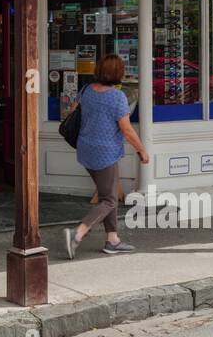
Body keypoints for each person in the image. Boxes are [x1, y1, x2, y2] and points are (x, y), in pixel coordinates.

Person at [63, 54, 150, 258]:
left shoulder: (86, 90)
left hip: (86, 149)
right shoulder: (117, 97)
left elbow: (75, 111)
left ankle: (112, 240)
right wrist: (142, 150)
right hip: (106, 153)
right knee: (109, 200)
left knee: (107, 193)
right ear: (117, 73)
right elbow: (127, 129)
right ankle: (78, 233)